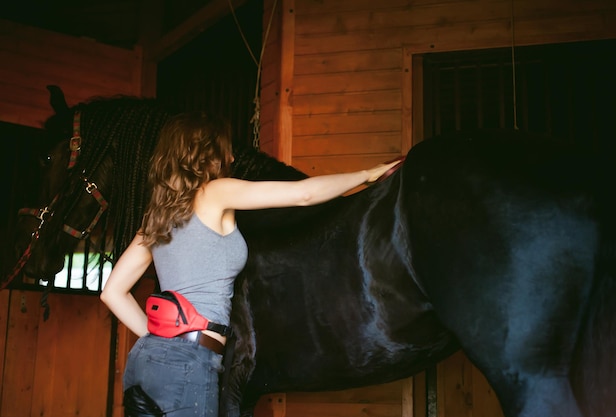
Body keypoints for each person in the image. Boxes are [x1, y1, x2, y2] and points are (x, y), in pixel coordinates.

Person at [100, 111, 402, 417]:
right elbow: (305, 194)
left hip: (144, 362)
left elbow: (112, 292)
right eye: (226, 148)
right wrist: (366, 175)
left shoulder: (157, 216)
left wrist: (160, 342)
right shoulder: (215, 192)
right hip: (189, 364)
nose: (231, 156)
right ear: (207, 153)